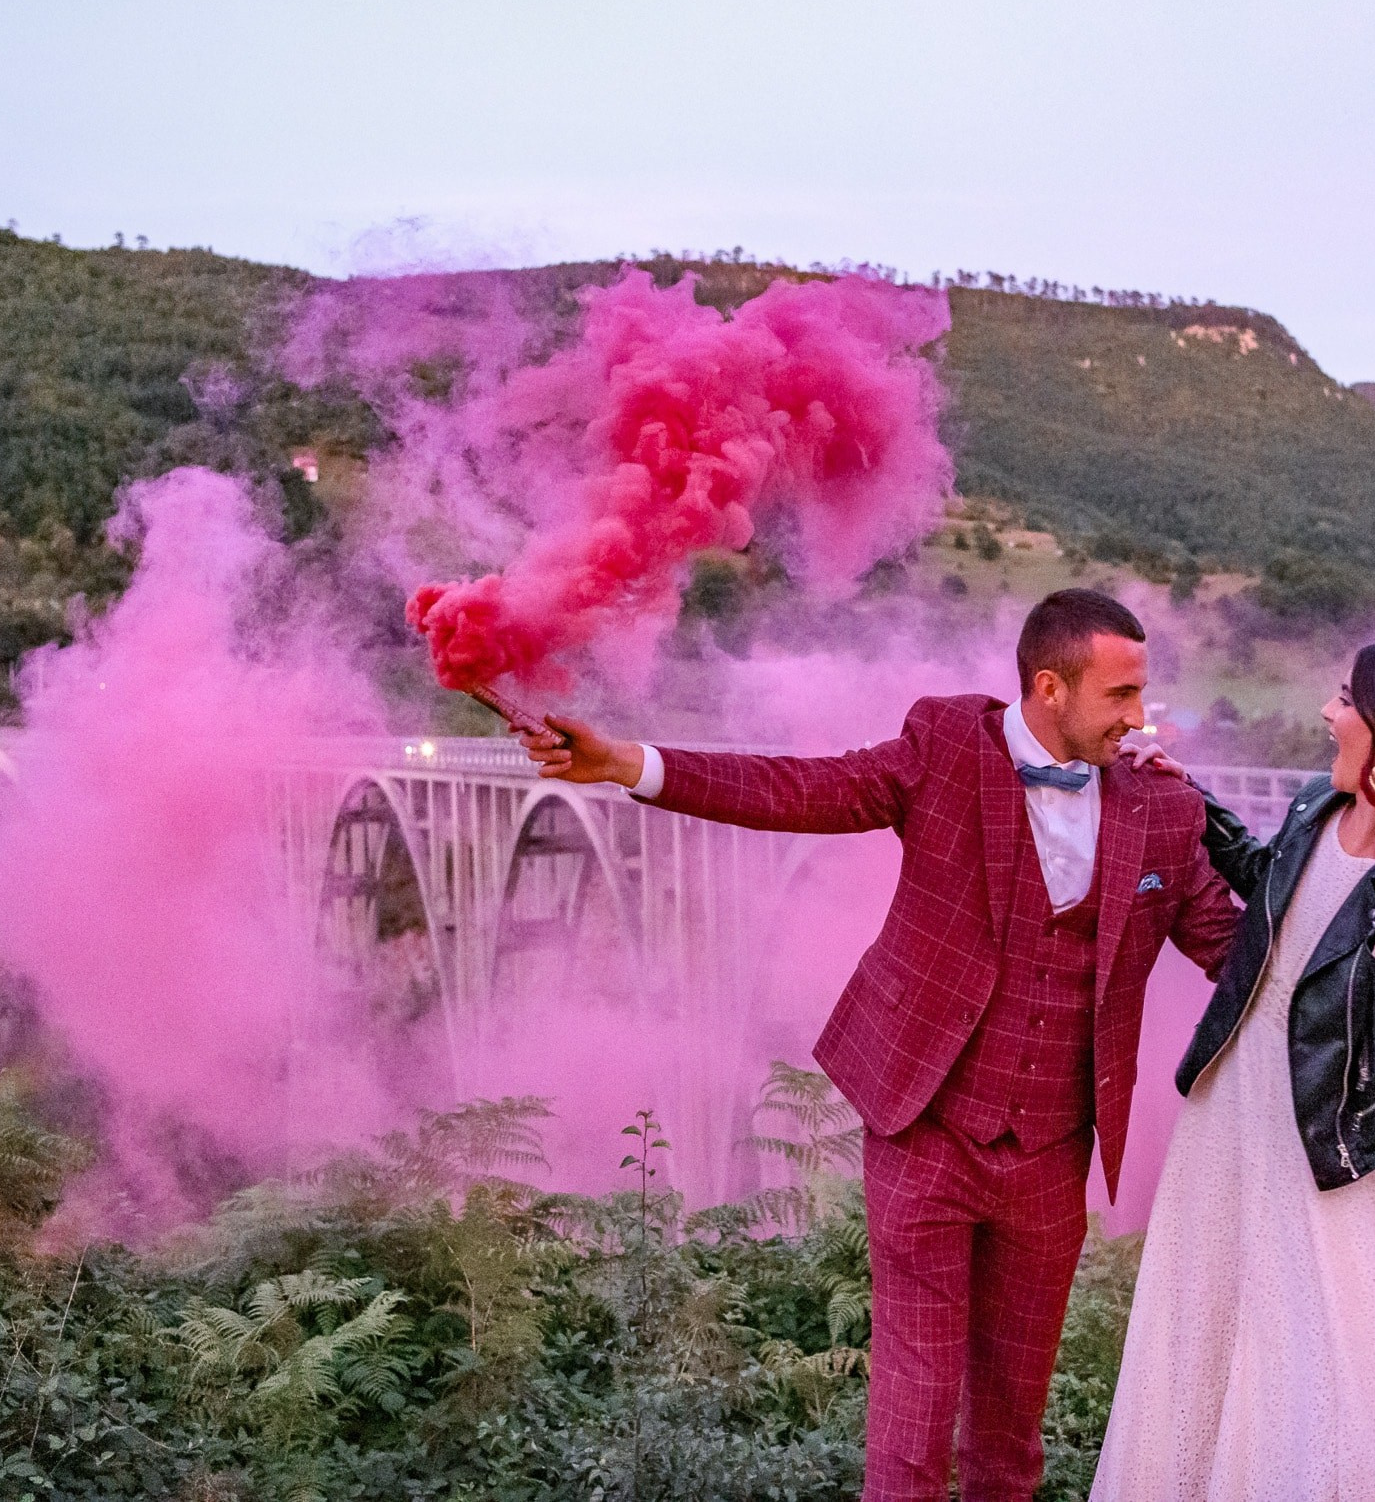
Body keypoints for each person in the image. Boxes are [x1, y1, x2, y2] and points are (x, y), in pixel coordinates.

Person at [521, 588, 1241, 1502]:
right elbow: (799, 790)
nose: (1139, 717)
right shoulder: (945, 746)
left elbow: (1237, 950)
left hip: (1053, 1155)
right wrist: (628, 761)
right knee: (913, 1424)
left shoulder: (1163, 809)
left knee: (1010, 1437)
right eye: (1121, 694)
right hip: (925, 1128)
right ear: (1050, 686)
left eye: (1142, 692)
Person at [1091, 640, 1375, 1502]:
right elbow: (1268, 880)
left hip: (1320, 1134)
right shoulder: (1317, 804)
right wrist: (1192, 796)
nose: (1328, 713)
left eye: (1345, 698)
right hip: (1234, 1099)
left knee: (1312, 1351)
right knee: (1214, 1322)